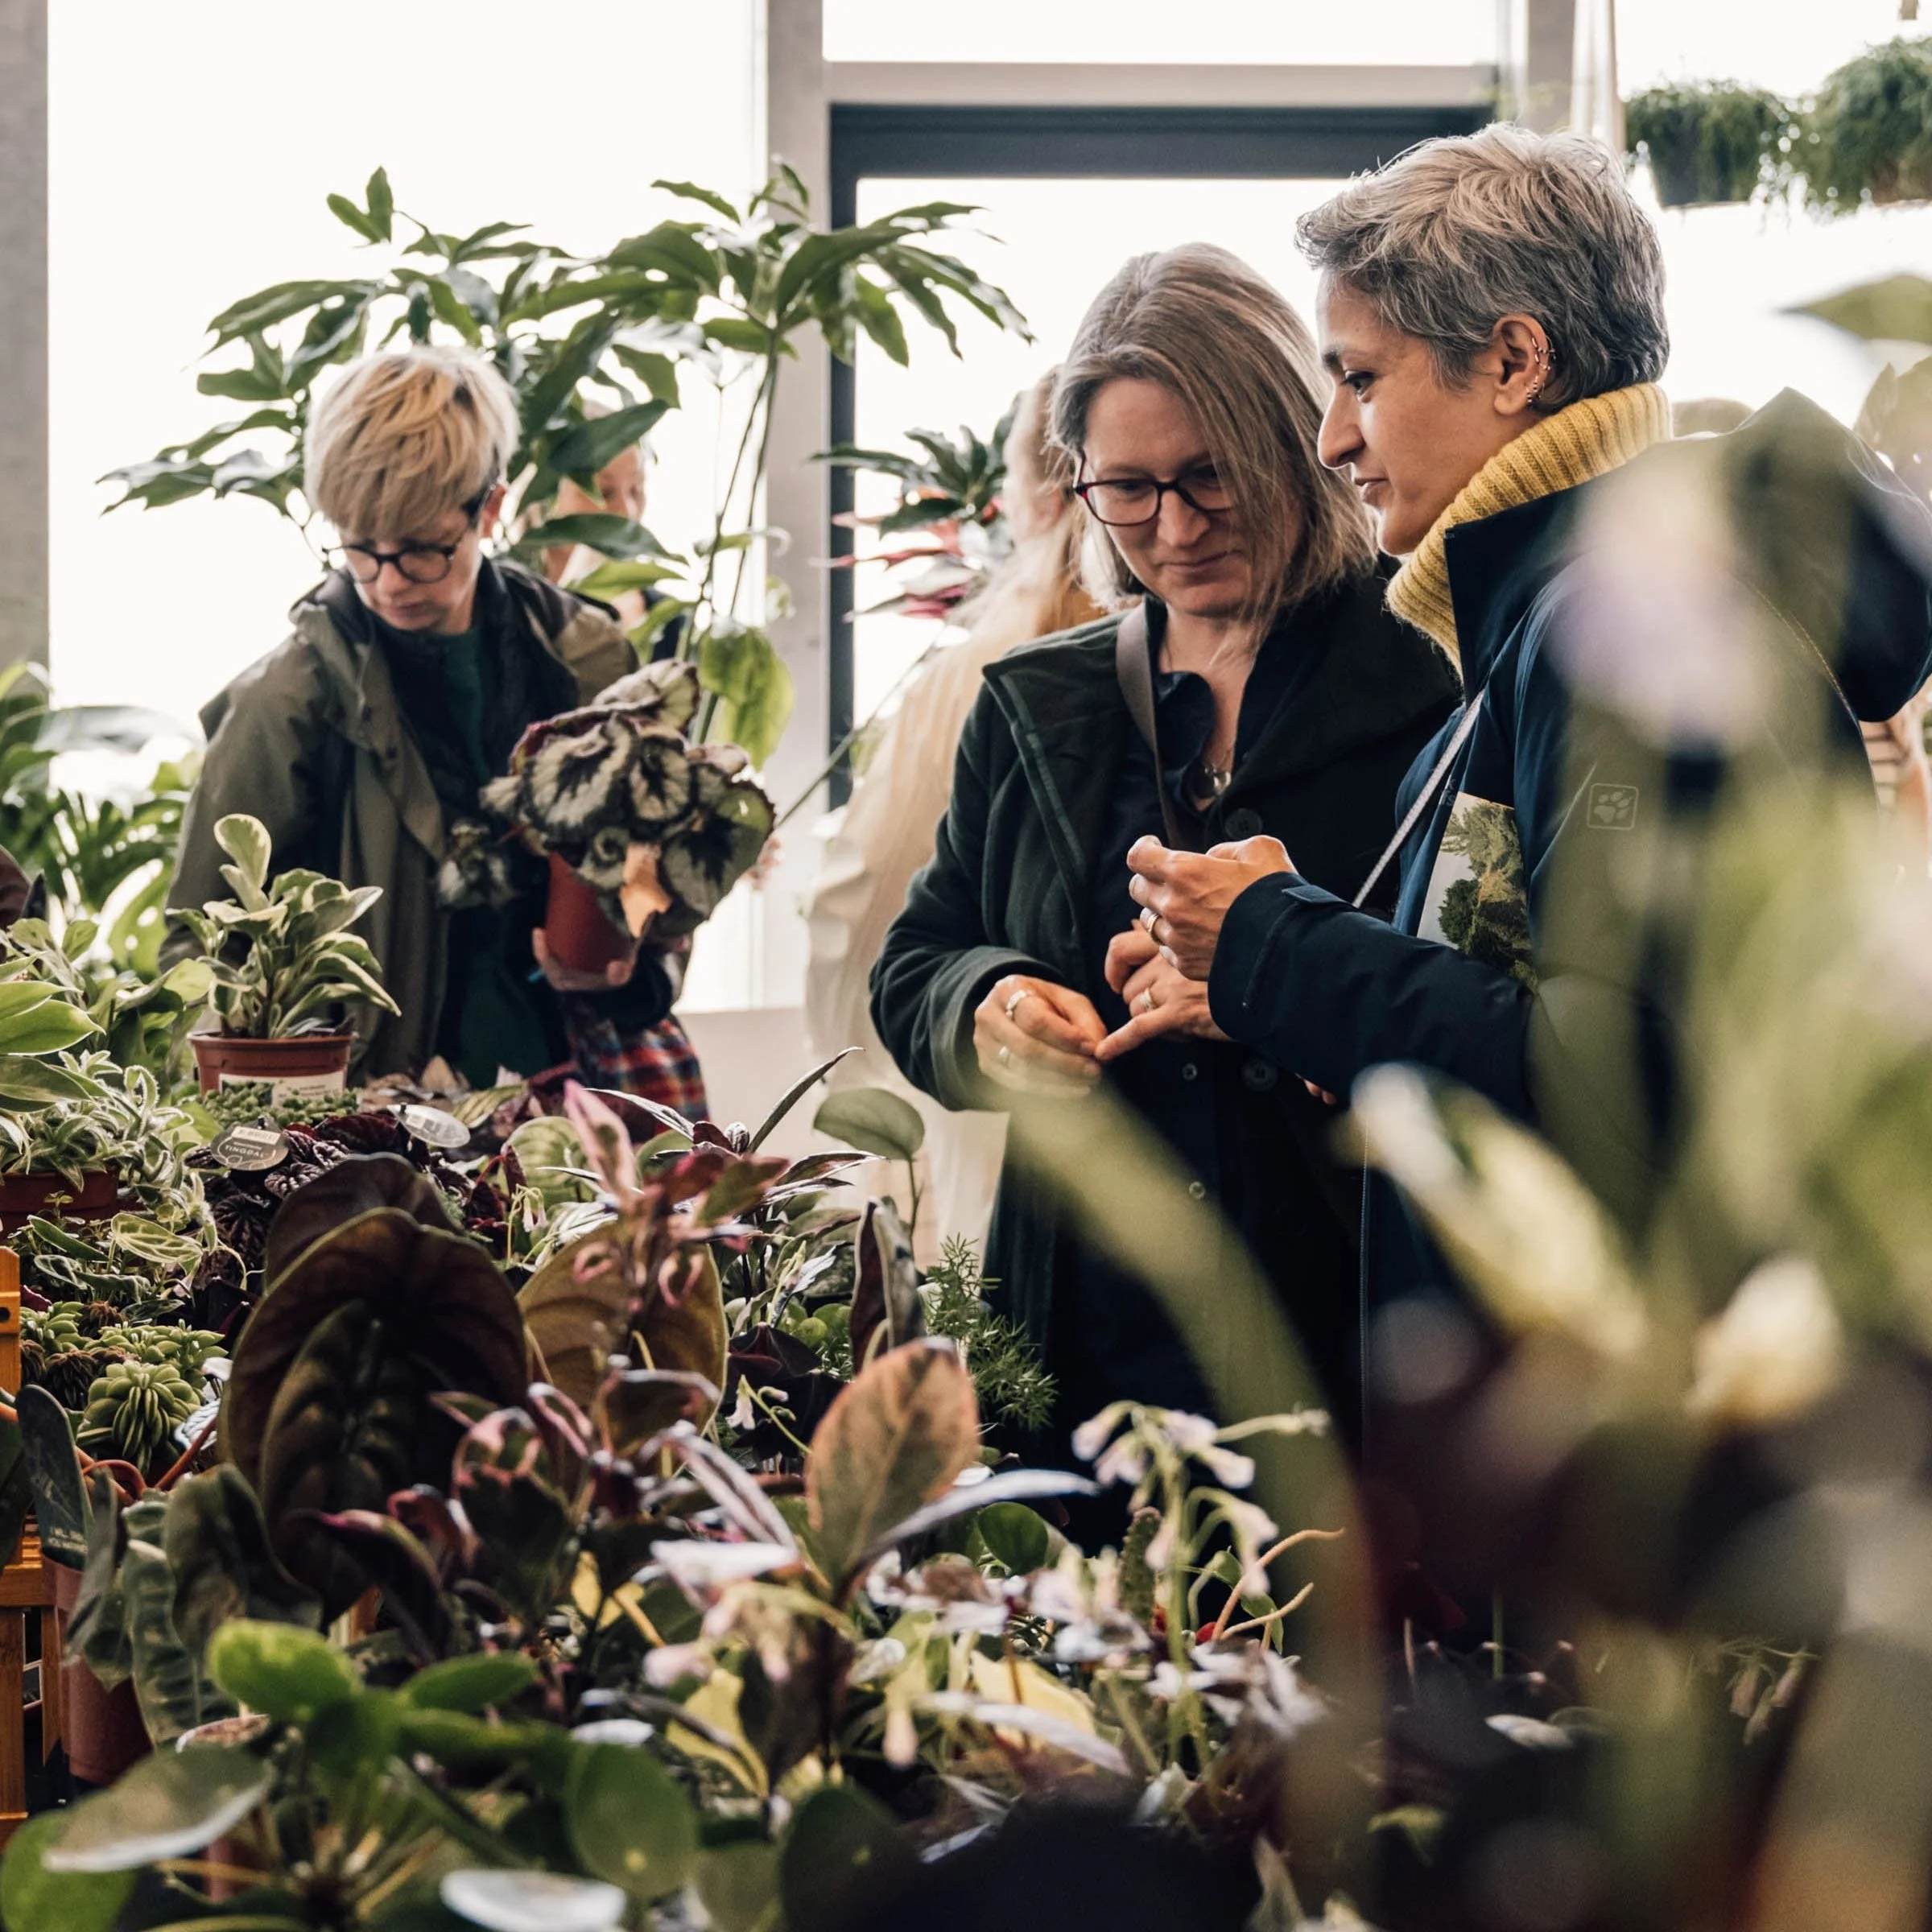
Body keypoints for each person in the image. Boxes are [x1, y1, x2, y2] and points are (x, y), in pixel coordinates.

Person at [1123, 127, 1932, 1379]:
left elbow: (1642, 1085)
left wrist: (1279, 947)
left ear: (1512, 360)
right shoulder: (1558, 621)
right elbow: (1531, 1004)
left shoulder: (1632, 633)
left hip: (1626, 1453)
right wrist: (1276, 983)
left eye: (1362, 377)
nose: (1334, 438)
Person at [871, 245, 1460, 1465]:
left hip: (1352, 1351)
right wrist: (986, 1006)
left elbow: (1490, 1012)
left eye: (1212, 479)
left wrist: (1282, 990)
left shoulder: (1430, 678)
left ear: (1300, 441)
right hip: (1083, 1350)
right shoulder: (1038, 703)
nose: (1174, 529)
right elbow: (918, 958)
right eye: (1127, 491)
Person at [166, 346, 680, 1088]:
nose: (387, 582)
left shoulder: (590, 666)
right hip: (367, 1122)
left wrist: (634, 969)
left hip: (572, 1092)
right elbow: (198, 946)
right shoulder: (285, 703)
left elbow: (654, 882)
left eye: (422, 550)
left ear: (491, 508)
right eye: (360, 548)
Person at [804, 371, 1100, 1257]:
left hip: (998, 1083)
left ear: (1035, 494)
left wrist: (857, 1055)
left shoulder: (977, 670)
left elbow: (863, 912)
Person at [532, 427, 707, 1118]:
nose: (628, 514)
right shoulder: (517, 641)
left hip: (633, 1003)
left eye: (637, 491)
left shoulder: (667, 629)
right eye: (605, 492)